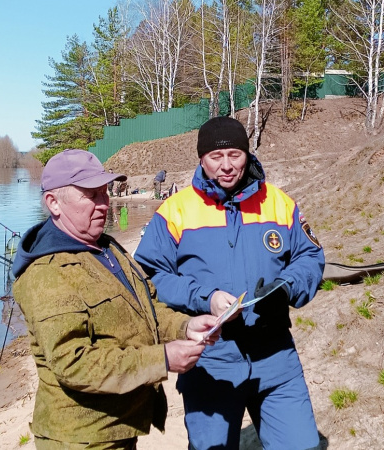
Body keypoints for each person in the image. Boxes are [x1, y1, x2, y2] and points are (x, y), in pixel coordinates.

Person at [135, 116, 325, 449]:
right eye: (215, 157)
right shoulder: (174, 212)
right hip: (210, 360)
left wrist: (287, 287)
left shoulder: (280, 203)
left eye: (234, 155)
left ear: (248, 155)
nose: (226, 166)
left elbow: (309, 258)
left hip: (276, 356)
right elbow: (150, 277)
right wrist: (204, 298)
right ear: (201, 159)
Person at [11, 149, 222, 449]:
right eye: (90, 194)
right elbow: (74, 363)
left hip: (120, 428)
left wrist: (185, 327)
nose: (103, 204)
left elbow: (148, 309)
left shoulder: (107, 249)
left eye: (104, 192)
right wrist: (162, 358)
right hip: (80, 438)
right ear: (53, 203)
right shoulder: (46, 274)